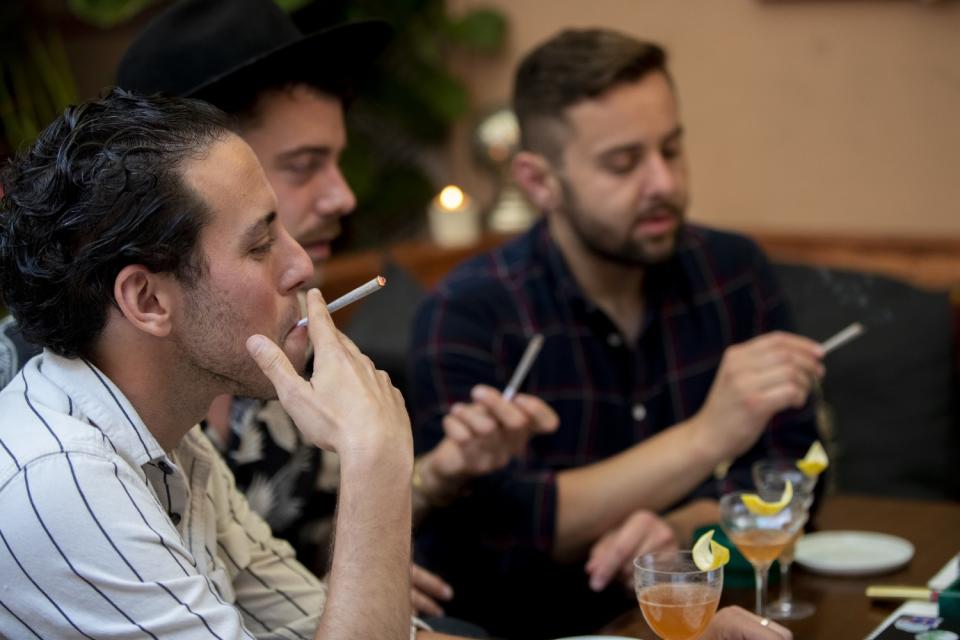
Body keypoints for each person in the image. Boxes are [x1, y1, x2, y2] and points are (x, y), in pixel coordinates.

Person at [0, 88, 793, 640]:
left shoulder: (171, 444)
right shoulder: (60, 483)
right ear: (146, 301)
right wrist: (377, 459)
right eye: (258, 242)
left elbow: (352, 626)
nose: (303, 267)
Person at [112, 0, 559, 620]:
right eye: (304, 166)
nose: (344, 194)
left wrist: (442, 470)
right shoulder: (63, 430)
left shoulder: (283, 342)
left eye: (337, 160)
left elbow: (312, 546)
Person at [409, 28, 823, 639]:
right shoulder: (468, 311)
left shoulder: (732, 273)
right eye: (623, 163)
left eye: (672, 150)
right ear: (538, 180)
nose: (662, 182)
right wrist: (708, 435)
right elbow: (503, 527)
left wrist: (687, 526)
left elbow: (796, 469)